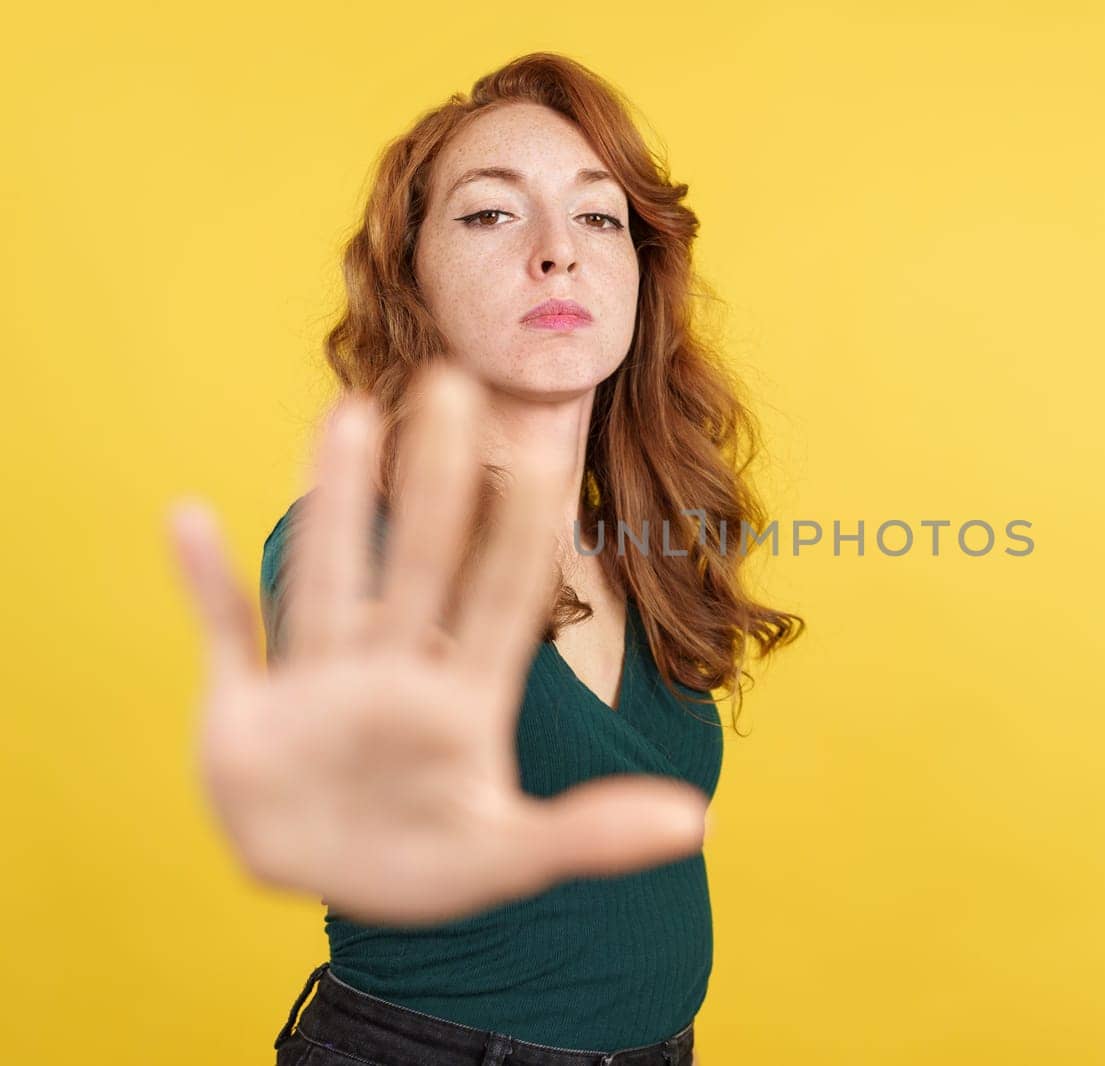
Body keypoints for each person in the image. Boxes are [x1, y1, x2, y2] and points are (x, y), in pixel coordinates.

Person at [166, 51, 803, 1065]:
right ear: (409, 276)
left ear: (642, 270)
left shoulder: (638, 546)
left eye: (598, 217)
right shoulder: (359, 542)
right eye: (489, 214)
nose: (557, 252)